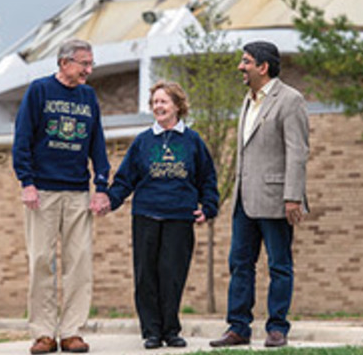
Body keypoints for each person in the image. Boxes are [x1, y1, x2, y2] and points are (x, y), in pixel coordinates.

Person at [101, 81, 219, 350]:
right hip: (146, 216)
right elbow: (125, 179)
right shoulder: (143, 141)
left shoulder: (192, 141)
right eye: (155, 102)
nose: (158, 106)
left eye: (163, 101)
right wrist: (110, 200)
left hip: (179, 217)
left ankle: (171, 330)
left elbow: (207, 178)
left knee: (172, 275)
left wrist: (209, 206)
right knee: (146, 276)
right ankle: (151, 332)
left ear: (177, 105)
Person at [12, 38, 110, 354]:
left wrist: (102, 185)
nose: (89, 70)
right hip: (42, 191)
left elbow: (97, 142)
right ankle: (43, 333)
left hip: (78, 191)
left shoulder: (88, 96)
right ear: (65, 62)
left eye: (90, 63)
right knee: (41, 260)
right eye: (85, 63)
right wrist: (26, 181)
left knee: (78, 263)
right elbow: (22, 139)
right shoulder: (39, 91)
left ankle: (71, 332)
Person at [209, 41, 309, 348]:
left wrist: (293, 196)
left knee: (279, 265)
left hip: (277, 198)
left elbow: (298, 151)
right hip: (244, 199)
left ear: (263, 67)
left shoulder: (290, 100)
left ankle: (277, 328)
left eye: (246, 62)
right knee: (240, 263)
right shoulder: (247, 100)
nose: (241, 67)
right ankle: (238, 327)